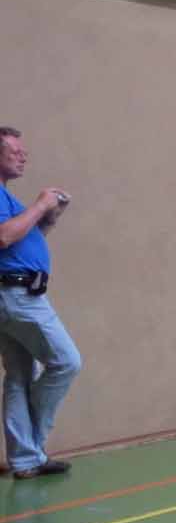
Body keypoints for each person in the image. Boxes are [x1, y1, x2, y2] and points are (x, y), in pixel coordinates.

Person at [0, 127, 81, 478]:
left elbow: (22, 238)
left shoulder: (7, 198)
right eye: (15, 150)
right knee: (66, 362)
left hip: (15, 294)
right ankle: (32, 444)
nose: (23, 155)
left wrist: (49, 217)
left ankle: (25, 460)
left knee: (19, 376)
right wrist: (40, 205)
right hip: (15, 295)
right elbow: (4, 237)